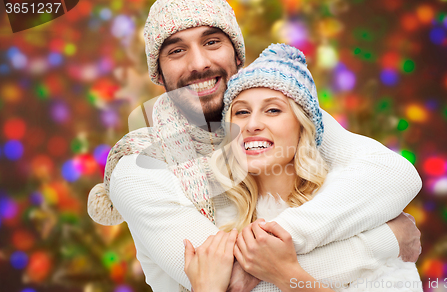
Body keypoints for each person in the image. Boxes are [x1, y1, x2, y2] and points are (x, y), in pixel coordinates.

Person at [86, 0, 423, 291]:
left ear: (237, 54)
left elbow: (395, 175)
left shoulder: (282, 111)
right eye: (176, 50)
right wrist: (388, 238)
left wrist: (275, 245)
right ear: (159, 72)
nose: (199, 63)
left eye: (213, 41)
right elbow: (234, 283)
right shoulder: (138, 168)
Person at [183, 44, 422, 292]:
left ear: (303, 128)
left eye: (273, 110)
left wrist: (287, 274)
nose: (252, 124)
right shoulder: (214, 225)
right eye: (241, 112)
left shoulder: (354, 210)